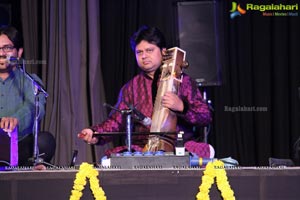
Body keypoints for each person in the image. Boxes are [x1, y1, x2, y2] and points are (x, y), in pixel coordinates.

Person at [78, 25, 212, 157]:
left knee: (200, 151)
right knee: (113, 157)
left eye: (149, 50)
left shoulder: (183, 81)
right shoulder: (131, 87)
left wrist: (182, 107)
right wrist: (95, 133)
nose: (144, 56)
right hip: (143, 150)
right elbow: (116, 122)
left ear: (164, 52)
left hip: (179, 147)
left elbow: (205, 116)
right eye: (139, 52)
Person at [0, 25, 55, 166]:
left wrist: (16, 120)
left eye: (7, 48)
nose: (2, 53)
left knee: (44, 141)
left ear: (19, 53)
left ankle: (34, 168)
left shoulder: (30, 80)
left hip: (20, 145)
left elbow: (36, 109)